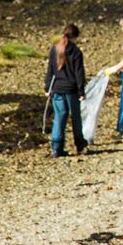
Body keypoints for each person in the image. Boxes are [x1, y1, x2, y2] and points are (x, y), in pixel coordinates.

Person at [44, 24, 87, 158]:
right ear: (75, 37)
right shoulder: (76, 52)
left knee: (59, 116)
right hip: (71, 89)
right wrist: (81, 91)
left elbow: (50, 70)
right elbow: (79, 73)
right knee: (76, 118)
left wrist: (47, 87)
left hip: (57, 88)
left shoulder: (54, 50)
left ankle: (56, 147)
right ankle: (79, 144)